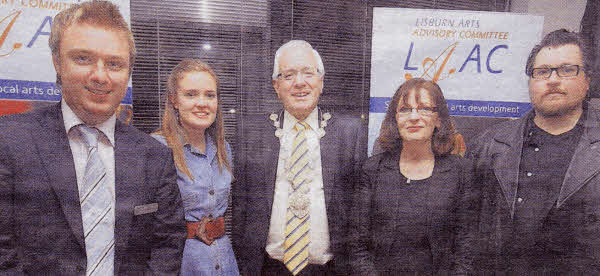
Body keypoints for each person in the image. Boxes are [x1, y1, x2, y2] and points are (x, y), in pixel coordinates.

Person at [0, 1, 186, 274]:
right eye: (83, 58)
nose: (100, 76)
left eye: (114, 64)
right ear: (57, 63)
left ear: (128, 72)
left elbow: (167, 245)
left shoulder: (153, 156)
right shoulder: (9, 141)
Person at [468, 29, 600, 273]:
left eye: (567, 70)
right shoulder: (489, 145)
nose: (552, 80)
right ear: (530, 81)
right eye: (542, 72)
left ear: (587, 80)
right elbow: (465, 230)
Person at [232, 40, 367, 275]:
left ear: (321, 81)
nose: (300, 82)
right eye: (289, 75)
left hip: (330, 269)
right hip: (268, 267)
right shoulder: (253, 133)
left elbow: (359, 213)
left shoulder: (350, 132)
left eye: (308, 73)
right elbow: (241, 209)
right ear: (276, 85)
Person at [350, 78, 476, 274]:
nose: (414, 117)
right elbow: (357, 246)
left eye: (425, 108)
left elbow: (466, 248)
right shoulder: (372, 170)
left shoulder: (462, 172)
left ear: (439, 119)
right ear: (395, 119)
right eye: (405, 110)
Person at [152, 59, 239, 275]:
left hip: (223, 261)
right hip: (181, 264)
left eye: (210, 95)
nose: (202, 103)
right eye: (191, 95)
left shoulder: (223, 150)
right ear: (174, 100)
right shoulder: (156, 149)